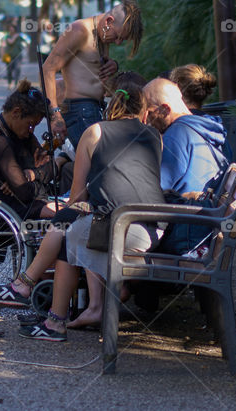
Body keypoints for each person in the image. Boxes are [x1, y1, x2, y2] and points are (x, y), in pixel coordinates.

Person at [17, 84, 166, 341]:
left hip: (122, 230)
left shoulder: (94, 132)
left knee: (67, 230)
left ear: (110, 107)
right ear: (143, 112)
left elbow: (76, 198)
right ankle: (32, 291)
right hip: (154, 231)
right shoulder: (154, 135)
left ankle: (50, 316)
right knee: (75, 229)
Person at [143, 74, 229, 261]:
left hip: (185, 235)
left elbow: (153, 191)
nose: (145, 121)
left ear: (165, 109)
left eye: (148, 113)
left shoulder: (177, 134)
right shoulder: (208, 129)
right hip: (204, 231)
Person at [43, 0, 143, 149]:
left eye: (122, 39)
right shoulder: (80, 30)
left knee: (95, 161)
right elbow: (48, 68)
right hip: (79, 111)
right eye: (117, 36)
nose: (118, 42)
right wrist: (55, 115)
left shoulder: (102, 34)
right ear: (109, 21)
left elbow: (90, 71)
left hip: (95, 108)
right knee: (98, 161)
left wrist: (114, 65)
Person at [0, 80, 57, 221]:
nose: (31, 130)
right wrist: (29, 180)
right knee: (64, 215)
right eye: (30, 124)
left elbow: (53, 168)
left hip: (23, 202)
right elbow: (24, 193)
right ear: (16, 112)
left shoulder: (24, 135)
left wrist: (30, 174)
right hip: (5, 210)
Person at [3, 24, 28, 91]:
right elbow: (10, 42)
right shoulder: (7, 36)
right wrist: (15, 36)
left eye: (12, 28)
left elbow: (27, 41)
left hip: (18, 56)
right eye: (10, 28)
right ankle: (9, 83)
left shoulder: (19, 36)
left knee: (17, 69)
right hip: (9, 56)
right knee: (9, 70)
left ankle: (16, 83)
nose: (11, 30)